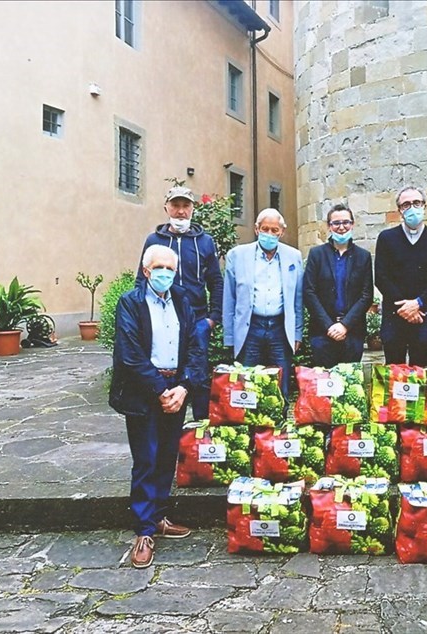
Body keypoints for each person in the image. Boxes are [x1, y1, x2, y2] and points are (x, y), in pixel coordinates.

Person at [110, 244, 204, 569]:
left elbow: (195, 346)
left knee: (166, 457)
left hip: (175, 391)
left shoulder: (182, 301)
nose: (165, 273)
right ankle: (144, 531)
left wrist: (184, 386)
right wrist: (161, 390)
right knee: (146, 460)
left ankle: (161, 517)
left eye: (170, 268)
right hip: (144, 393)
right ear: (147, 271)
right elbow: (130, 353)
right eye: (159, 267)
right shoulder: (130, 303)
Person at [136, 186, 223, 422]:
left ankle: (200, 428)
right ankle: (165, 419)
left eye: (186, 206)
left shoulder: (205, 242)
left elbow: (216, 280)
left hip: (197, 320)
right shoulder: (154, 240)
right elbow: (140, 280)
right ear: (166, 208)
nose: (181, 211)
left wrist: (213, 318)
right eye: (176, 206)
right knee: (166, 371)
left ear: (193, 209)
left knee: (199, 375)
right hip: (163, 318)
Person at [222, 208, 303, 403]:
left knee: (280, 385)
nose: (269, 234)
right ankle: (250, 431)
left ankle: (279, 430)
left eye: (274, 230)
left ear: (281, 232)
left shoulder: (294, 256)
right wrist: (229, 337)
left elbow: (297, 299)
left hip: (280, 329)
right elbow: (229, 299)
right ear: (257, 229)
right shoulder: (237, 255)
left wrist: (297, 333)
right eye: (265, 229)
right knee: (247, 384)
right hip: (250, 328)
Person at [374, 185, 427, 367]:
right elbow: (381, 277)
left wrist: (418, 303)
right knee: (394, 369)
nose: (412, 208)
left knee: (420, 369)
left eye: (416, 202)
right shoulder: (386, 238)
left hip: (423, 314)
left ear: (424, 206)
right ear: (399, 210)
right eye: (406, 204)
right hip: (394, 315)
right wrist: (405, 307)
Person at [303, 203, 374, 367]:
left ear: (352, 224)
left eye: (346, 222)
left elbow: (366, 295)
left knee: (349, 385)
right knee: (323, 385)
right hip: (322, 332)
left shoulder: (363, 256)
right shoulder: (317, 254)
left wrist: (344, 325)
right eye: (336, 223)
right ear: (329, 226)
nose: (341, 227)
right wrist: (329, 326)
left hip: (353, 332)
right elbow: (309, 292)